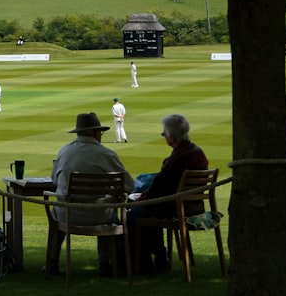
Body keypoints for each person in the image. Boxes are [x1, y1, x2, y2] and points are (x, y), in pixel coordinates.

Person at [48, 112, 134, 276]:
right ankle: (105, 263)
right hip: (100, 215)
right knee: (106, 207)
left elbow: (54, 181)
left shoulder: (64, 151)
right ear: (95, 133)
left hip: (68, 215)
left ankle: (53, 261)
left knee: (56, 211)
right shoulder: (107, 154)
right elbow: (129, 185)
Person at [128, 114, 208, 273]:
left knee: (133, 214)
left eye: (164, 133)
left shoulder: (176, 158)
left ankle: (144, 262)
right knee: (147, 209)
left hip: (176, 208)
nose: (164, 136)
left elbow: (157, 191)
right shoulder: (197, 152)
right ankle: (160, 257)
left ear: (171, 136)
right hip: (194, 207)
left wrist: (139, 198)